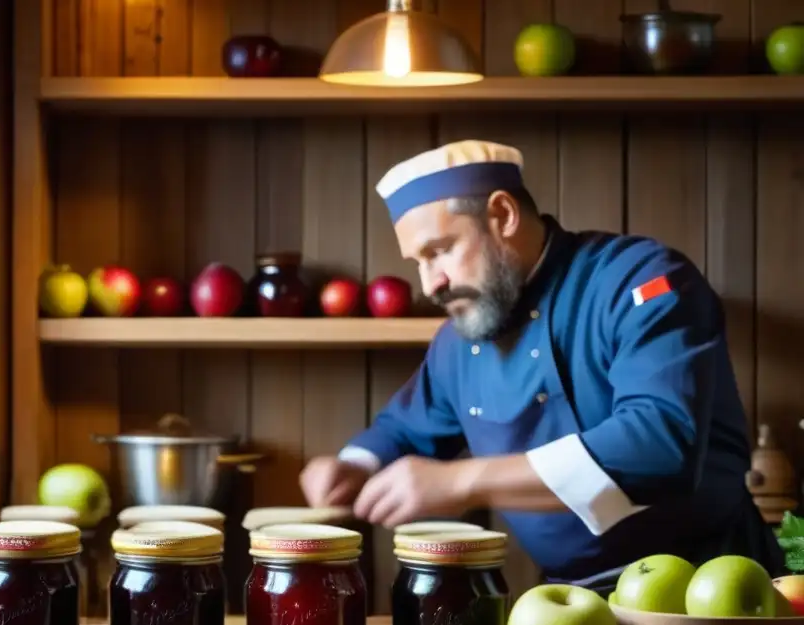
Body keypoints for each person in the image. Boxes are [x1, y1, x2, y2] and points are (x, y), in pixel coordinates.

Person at [299, 139, 785, 594]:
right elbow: (402, 429)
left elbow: (660, 444)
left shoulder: (639, 280)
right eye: (417, 262)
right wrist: (352, 465)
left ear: (503, 215)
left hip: (713, 583)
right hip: (568, 602)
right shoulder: (458, 341)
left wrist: (461, 481)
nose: (432, 283)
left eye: (440, 251)